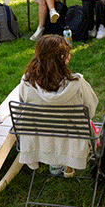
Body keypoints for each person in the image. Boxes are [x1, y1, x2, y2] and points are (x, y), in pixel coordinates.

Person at [18, 35, 99, 176]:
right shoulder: (78, 84)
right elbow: (90, 111)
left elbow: (22, 107)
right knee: (90, 125)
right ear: (63, 57)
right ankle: (66, 162)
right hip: (72, 142)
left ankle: (54, 163)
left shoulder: (26, 82)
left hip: (40, 140)